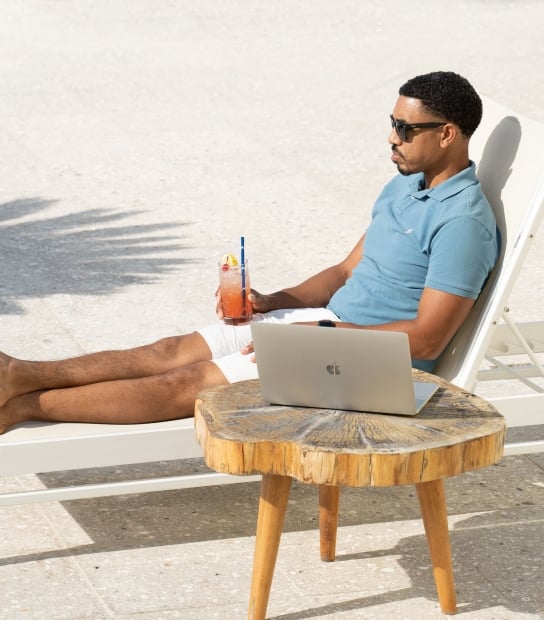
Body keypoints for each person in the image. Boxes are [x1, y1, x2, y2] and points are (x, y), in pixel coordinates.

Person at [0, 70, 499, 434]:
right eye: (392, 122)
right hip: (330, 328)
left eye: (405, 129)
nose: (392, 138)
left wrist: (324, 337)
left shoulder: (462, 223)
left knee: (186, 383)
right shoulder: (405, 186)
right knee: (168, 351)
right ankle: (22, 373)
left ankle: (21, 408)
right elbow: (347, 269)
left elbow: (429, 340)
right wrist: (274, 301)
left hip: (371, 364)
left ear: (447, 134)